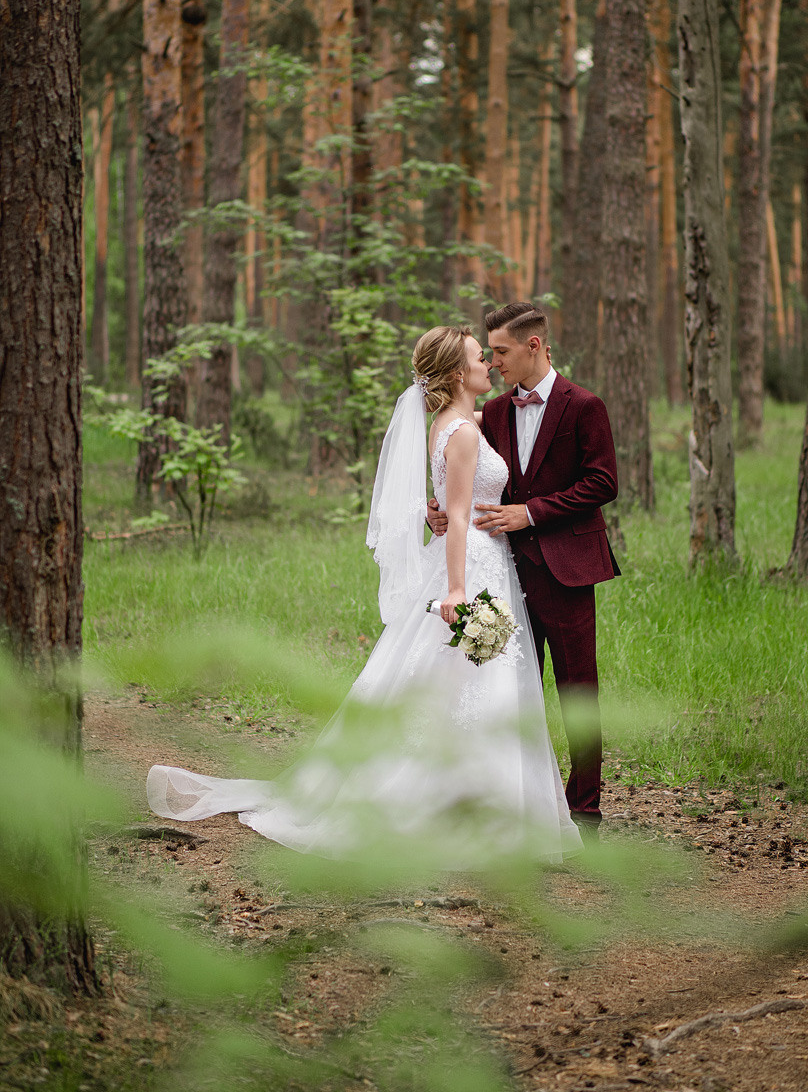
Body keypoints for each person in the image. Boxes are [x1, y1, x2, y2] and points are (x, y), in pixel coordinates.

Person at [146, 326, 582, 867]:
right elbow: (460, 515)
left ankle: (467, 797)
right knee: (469, 682)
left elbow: (456, 493)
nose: (488, 364)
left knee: (449, 683)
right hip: (469, 565)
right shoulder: (464, 433)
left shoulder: (453, 423)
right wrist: (456, 589)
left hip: (479, 559)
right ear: (456, 372)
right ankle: (462, 808)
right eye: (479, 357)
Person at [428, 304, 619, 840]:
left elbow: (602, 483)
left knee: (578, 692)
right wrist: (436, 508)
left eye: (502, 351)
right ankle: (516, 802)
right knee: (507, 688)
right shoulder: (493, 412)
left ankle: (585, 811)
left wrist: (530, 513)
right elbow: (465, 470)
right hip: (506, 574)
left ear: (534, 345)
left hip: (567, 571)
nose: (494, 361)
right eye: (488, 353)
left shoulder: (585, 406)